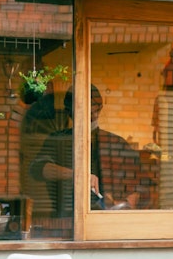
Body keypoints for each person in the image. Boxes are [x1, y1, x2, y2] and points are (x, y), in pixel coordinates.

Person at [30, 85, 143, 215]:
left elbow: (140, 184)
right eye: (86, 112)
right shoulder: (57, 140)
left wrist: (123, 203)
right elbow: (37, 169)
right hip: (67, 218)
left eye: (95, 111)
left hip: (109, 219)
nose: (93, 116)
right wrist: (79, 175)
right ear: (69, 112)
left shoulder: (117, 143)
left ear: (100, 108)